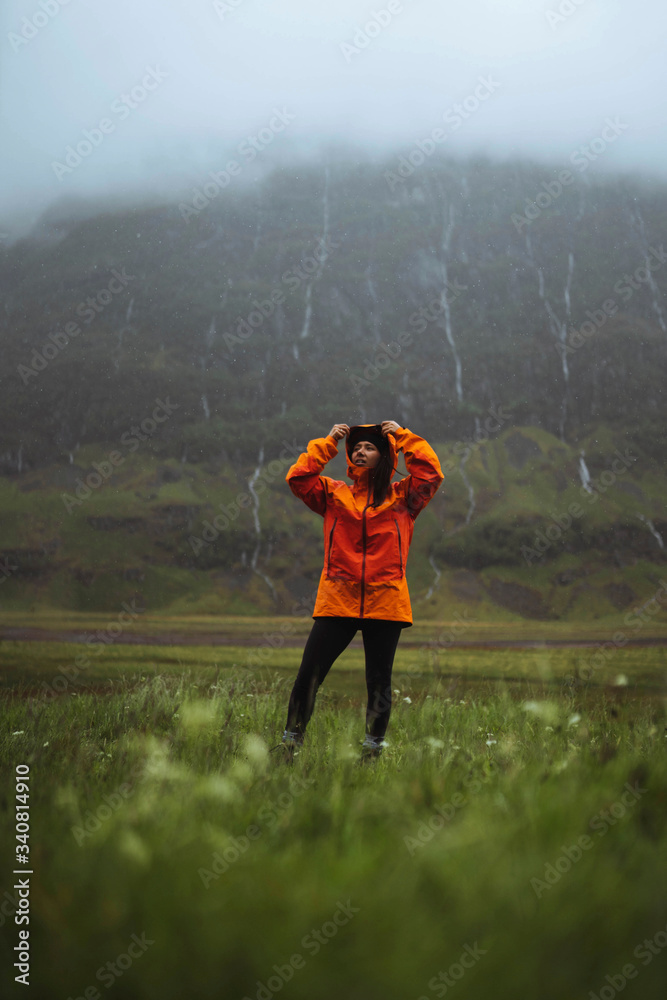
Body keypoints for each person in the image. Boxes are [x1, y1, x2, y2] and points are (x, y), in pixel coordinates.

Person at [273, 420, 444, 762]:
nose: (359, 452)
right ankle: (290, 744)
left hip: (386, 603)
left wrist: (403, 436)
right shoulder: (334, 494)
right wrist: (329, 442)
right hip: (337, 600)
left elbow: (430, 475)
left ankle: (372, 752)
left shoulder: (405, 497)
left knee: (379, 684)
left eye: (369, 448)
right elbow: (298, 479)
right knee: (309, 674)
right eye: (355, 449)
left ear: (385, 456)